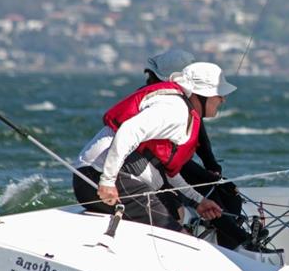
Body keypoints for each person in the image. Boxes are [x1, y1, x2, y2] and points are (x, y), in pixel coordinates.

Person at [72, 62, 235, 233]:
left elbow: (168, 172)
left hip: (112, 178)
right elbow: (128, 131)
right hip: (98, 179)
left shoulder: (181, 110)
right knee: (176, 235)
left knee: (176, 212)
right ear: (200, 94)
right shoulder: (174, 109)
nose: (222, 99)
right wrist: (107, 181)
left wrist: (199, 201)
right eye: (219, 94)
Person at [143, 50, 248, 248]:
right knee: (214, 193)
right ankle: (241, 243)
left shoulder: (183, 101)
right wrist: (211, 177)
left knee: (229, 196)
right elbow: (166, 159)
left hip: (172, 166)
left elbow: (199, 135)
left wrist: (212, 166)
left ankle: (234, 245)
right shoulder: (164, 103)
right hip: (155, 169)